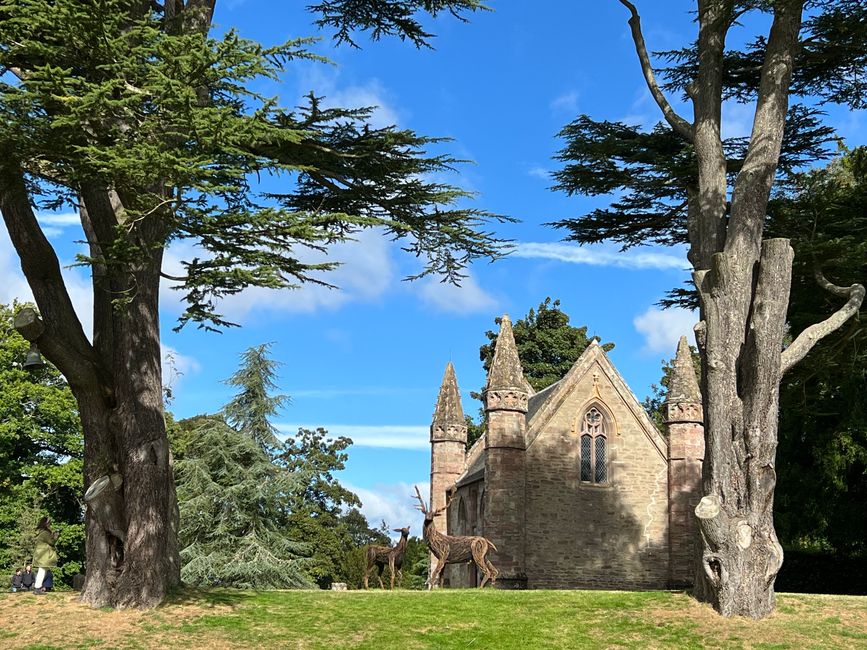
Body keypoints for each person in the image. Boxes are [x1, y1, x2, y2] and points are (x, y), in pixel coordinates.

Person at [32, 517, 59, 594]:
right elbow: (52, 542)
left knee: (44, 570)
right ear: (46, 524)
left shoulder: (42, 532)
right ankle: (37, 588)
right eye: (49, 523)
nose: (50, 524)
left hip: (41, 553)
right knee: (42, 570)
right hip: (43, 554)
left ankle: (39, 587)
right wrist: (56, 536)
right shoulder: (45, 533)